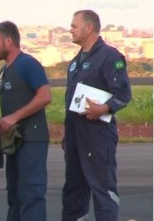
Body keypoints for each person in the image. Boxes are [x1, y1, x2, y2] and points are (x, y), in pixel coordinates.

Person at [62, 10, 132, 221]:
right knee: (73, 190)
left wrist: (102, 109)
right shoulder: (74, 62)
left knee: (102, 190)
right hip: (75, 135)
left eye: (74, 26)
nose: (70, 30)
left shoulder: (110, 57)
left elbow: (123, 93)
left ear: (88, 27)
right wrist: (67, 131)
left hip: (98, 136)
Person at [0, 21, 52, 221]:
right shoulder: (4, 70)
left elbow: (45, 96)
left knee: (31, 194)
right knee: (15, 195)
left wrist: (14, 117)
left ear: (8, 41)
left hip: (32, 139)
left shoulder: (28, 64)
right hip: (14, 142)